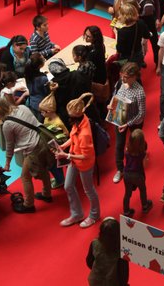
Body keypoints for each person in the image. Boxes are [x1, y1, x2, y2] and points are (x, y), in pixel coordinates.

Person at [0, 97, 53, 213]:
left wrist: (7, 163)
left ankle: (28, 205)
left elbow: (10, 145)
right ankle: (47, 194)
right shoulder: (22, 107)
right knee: (43, 169)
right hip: (44, 140)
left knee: (25, 177)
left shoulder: (7, 125)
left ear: (0, 110)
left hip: (33, 149)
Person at [55, 91, 100, 228]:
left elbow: (85, 155)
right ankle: (77, 214)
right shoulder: (80, 120)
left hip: (84, 163)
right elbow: (73, 136)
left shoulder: (85, 133)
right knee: (68, 185)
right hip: (74, 159)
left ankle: (94, 215)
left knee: (89, 190)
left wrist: (66, 155)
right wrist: (63, 146)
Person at [109, 63, 146, 184]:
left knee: (135, 143)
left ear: (134, 77)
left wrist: (128, 124)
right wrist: (111, 105)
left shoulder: (140, 92)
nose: (122, 79)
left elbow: (141, 114)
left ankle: (139, 158)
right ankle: (120, 169)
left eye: (125, 77)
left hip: (134, 121)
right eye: (122, 76)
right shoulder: (122, 83)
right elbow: (116, 95)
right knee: (119, 144)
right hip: (120, 117)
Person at [86, 218, 129, 286]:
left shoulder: (94, 243)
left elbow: (89, 262)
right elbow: (124, 277)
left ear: (101, 232)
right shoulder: (122, 252)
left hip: (95, 281)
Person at [120, 129, 151, 217]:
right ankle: (145, 206)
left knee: (127, 193)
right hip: (137, 175)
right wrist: (146, 159)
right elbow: (145, 165)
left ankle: (126, 211)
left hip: (127, 174)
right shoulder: (142, 154)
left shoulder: (127, 150)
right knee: (142, 189)